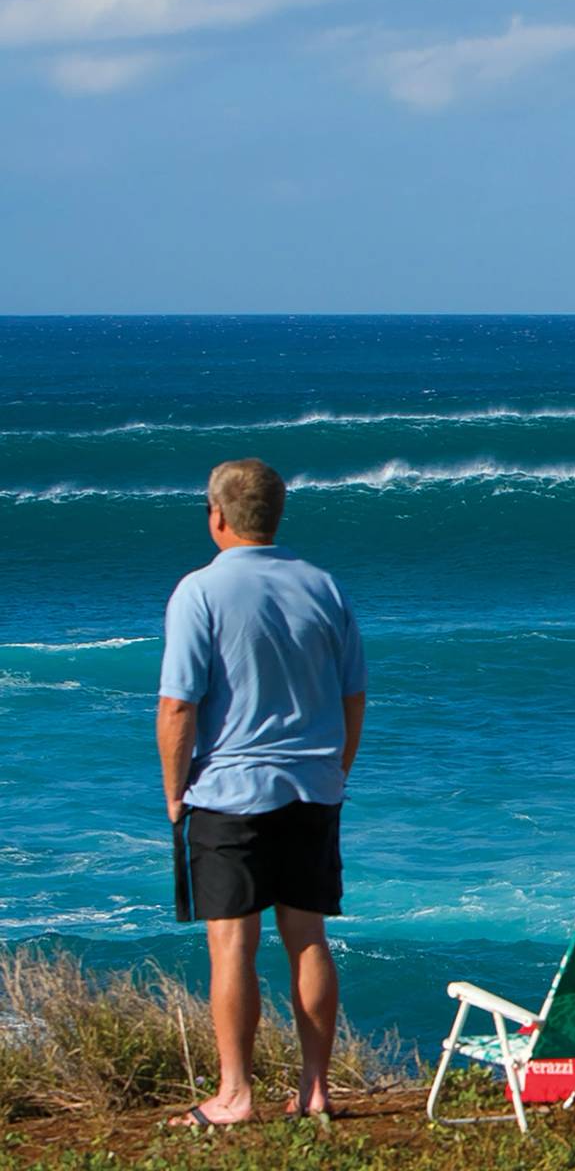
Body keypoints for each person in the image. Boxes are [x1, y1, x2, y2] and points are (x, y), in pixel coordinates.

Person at [157, 460, 367, 1125]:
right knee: (307, 937)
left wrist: (173, 792)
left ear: (217, 517)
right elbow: (352, 693)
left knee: (233, 946)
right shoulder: (322, 585)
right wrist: (339, 769)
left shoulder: (200, 591)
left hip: (229, 790)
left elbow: (178, 708)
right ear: (277, 517)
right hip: (313, 785)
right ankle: (315, 1090)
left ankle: (236, 1094)